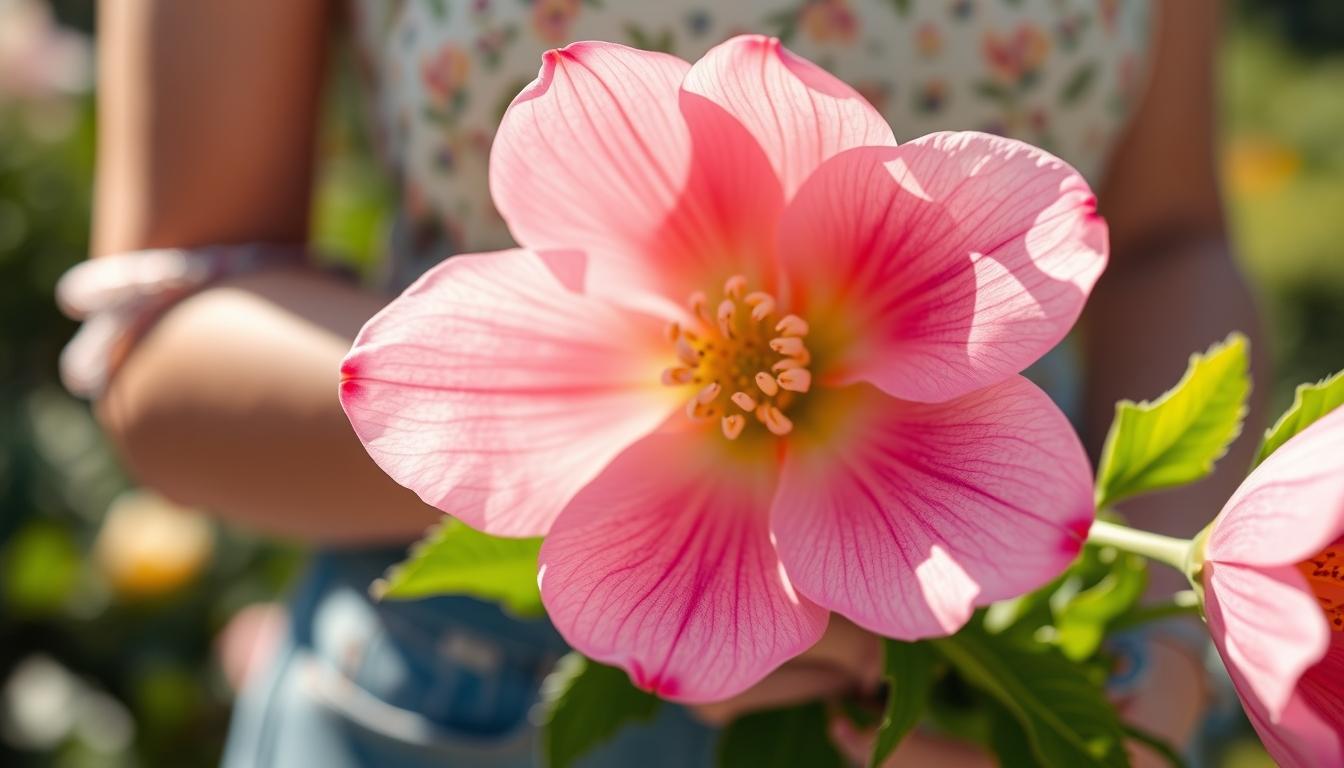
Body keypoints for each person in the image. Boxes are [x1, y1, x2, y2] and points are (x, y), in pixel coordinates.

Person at [77, 0, 1262, 765]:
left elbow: (1164, 240)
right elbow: (161, 336)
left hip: (977, 672)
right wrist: (617, 474)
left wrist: (1145, 675)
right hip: (467, 699)